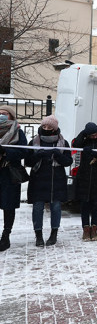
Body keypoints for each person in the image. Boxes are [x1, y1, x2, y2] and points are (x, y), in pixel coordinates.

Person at [25, 115, 73, 247]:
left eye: (49, 127)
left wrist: (58, 155)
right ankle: (38, 235)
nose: (46, 128)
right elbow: (27, 162)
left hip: (56, 180)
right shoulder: (34, 142)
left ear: (54, 128)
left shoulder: (63, 142)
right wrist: (37, 155)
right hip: (38, 180)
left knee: (56, 207)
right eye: (44, 126)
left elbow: (69, 161)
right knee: (38, 207)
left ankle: (53, 234)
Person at [72, 122, 97, 241]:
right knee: (84, 204)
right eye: (91, 135)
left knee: (96, 204)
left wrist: (94, 153)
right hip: (84, 176)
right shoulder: (84, 140)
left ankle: (94, 229)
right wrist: (83, 133)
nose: (94, 137)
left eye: (95, 134)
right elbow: (76, 145)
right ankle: (85, 229)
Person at [0, 106, 30, 252]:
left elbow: (24, 151)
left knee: (8, 206)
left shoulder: (17, 132)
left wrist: (6, 151)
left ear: (11, 116)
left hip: (9, 173)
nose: (2, 116)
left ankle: (6, 236)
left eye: (4, 114)